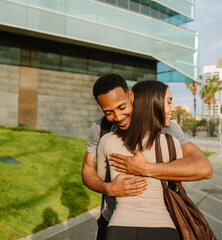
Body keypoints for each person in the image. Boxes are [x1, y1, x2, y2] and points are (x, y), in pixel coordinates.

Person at [81, 74, 213, 240]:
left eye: (122, 108)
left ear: (131, 96)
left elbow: (204, 168)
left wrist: (146, 168)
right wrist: (107, 188)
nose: (118, 117)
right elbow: (87, 169)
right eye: (109, 112)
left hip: (160, 222)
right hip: (111, 220)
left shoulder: (167, 128)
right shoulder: (101, 128)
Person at [97, 80, 182, 239]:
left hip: (119, 228)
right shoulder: (171, 144)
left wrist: (110, 187)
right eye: (169, 102)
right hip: (163, 227)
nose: (173, 108)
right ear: (154, 104)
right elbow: (182, 177)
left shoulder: (107, 140)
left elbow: (99, 177)